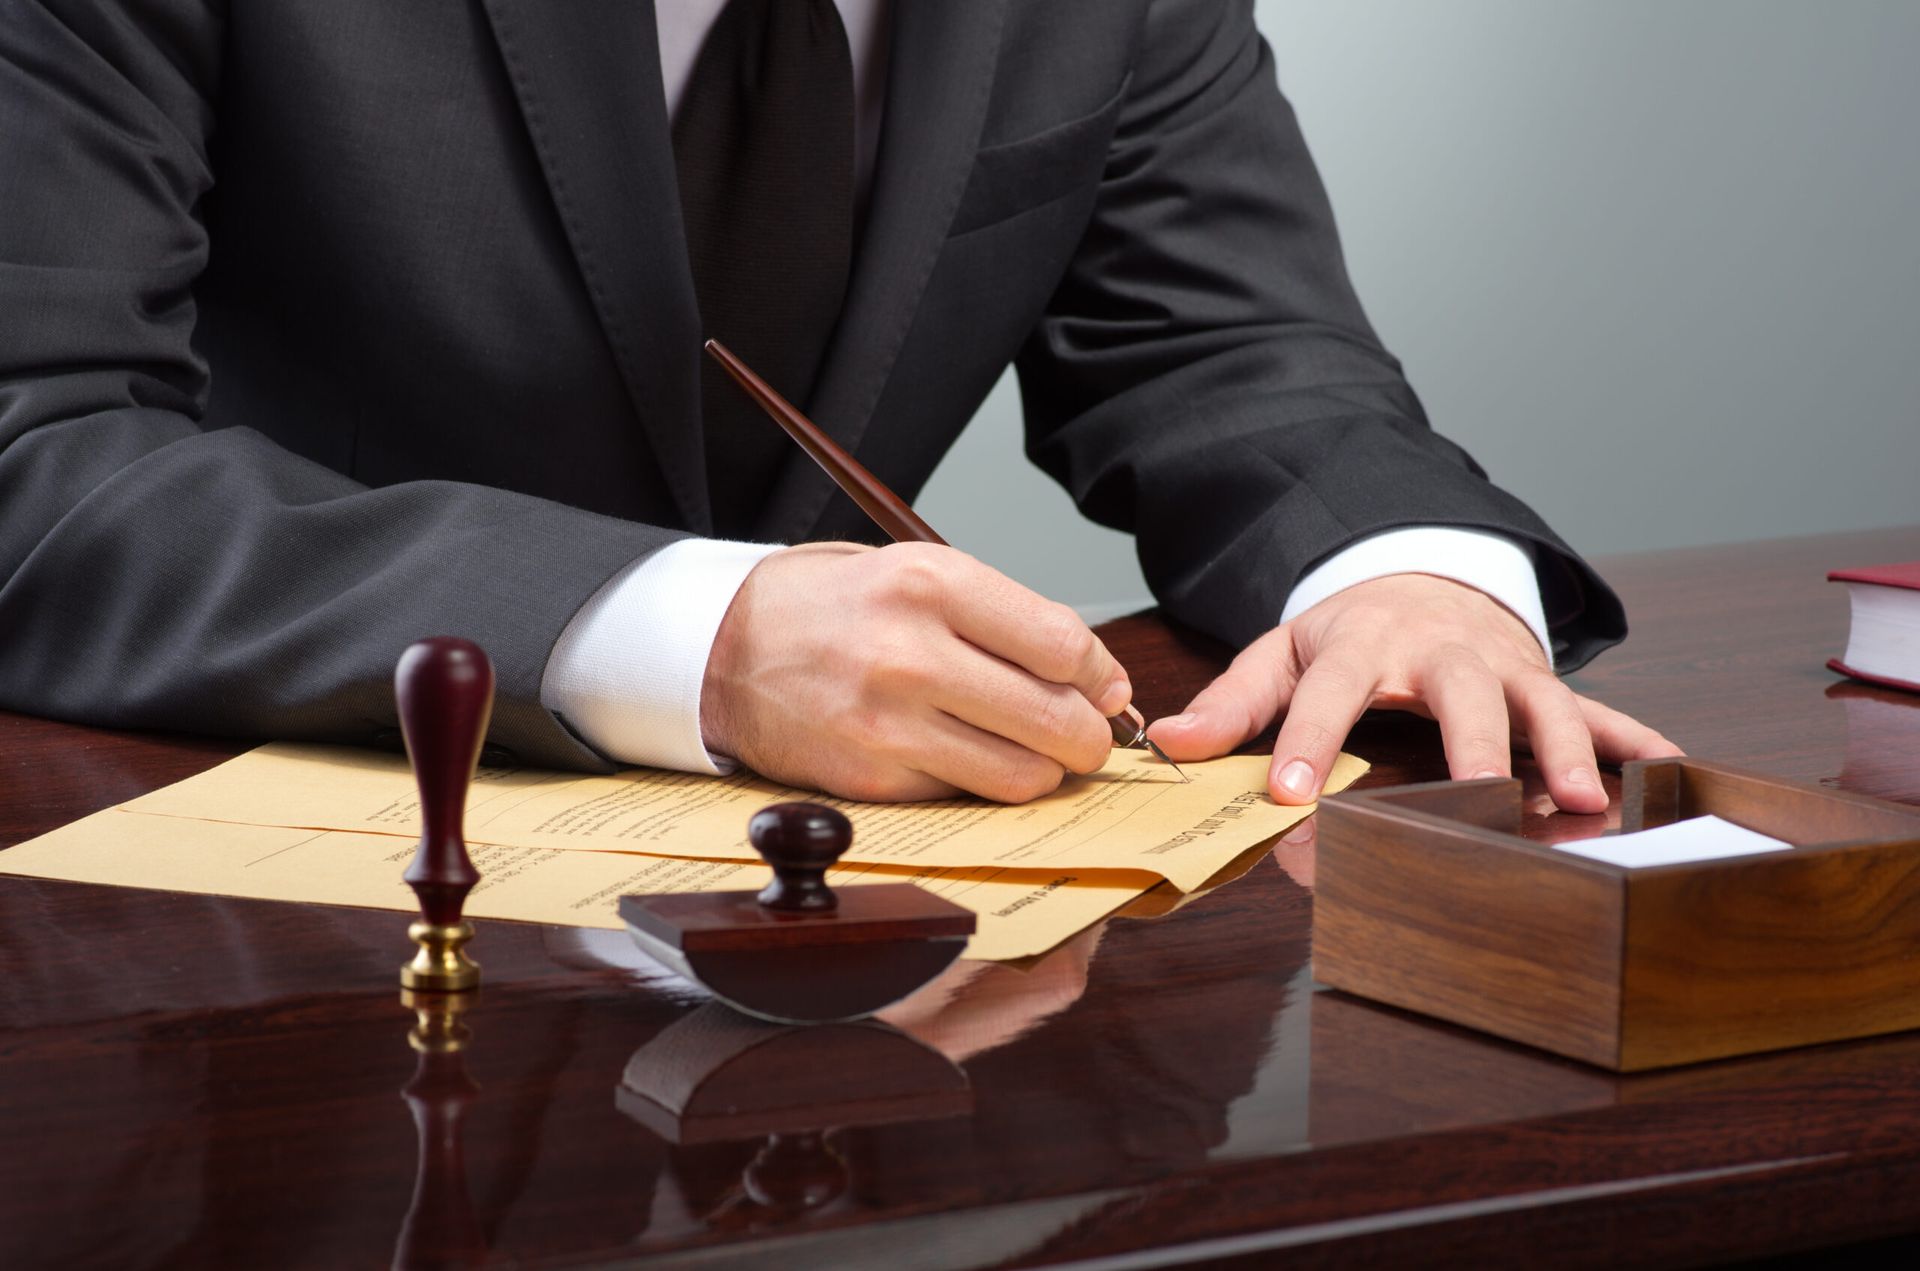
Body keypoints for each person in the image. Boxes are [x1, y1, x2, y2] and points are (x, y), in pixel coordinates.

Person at [0, 0, 1677, 811]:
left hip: (826, 995)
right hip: (218, 940)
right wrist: (693, 635)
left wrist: (1401, 572)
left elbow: (1231, 349)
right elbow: (36, 451)